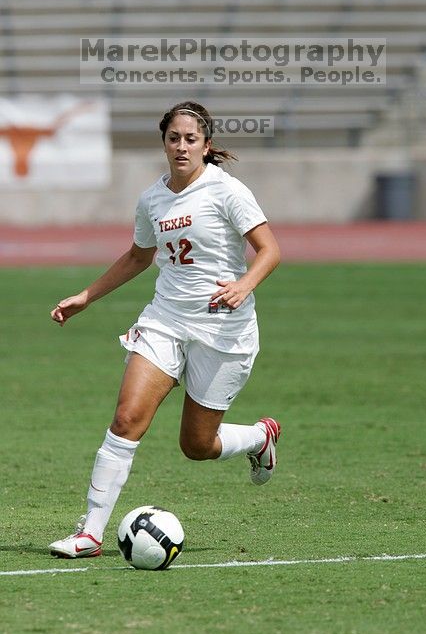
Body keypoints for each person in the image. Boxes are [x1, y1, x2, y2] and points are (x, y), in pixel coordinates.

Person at [48, 100, 281, 558]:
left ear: (206, 145)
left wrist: (243, 284)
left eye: (191, 139)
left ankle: (259, 437)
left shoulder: (227, 191)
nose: (181, 146)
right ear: (164, 143)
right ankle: (91, 533)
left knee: (197, 445)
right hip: (165, 321)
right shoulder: (152, 198)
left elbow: (270, 249)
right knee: (126, 419)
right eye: (173, 138)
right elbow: (139, 256)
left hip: (223, 330)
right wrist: (86, 297)